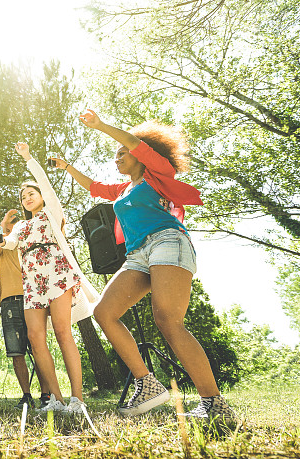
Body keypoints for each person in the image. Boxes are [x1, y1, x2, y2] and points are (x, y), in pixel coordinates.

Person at [61, 109, 236, 421]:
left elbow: (133, 141)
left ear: (142, 154)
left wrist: (101, 125)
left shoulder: (157, 173)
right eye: (115, 155)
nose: (117, 158)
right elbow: (96, 188)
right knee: (104, 312)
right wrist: (67, 167)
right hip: (138, 255)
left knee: (168, 320)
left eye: (122, 153)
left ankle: (214, 403)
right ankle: (148, 383)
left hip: (167, 241)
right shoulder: (125, 189)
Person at [0, 142, 99, 415]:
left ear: (40, 196)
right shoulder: (21, 225)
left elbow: (47, 186)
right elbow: (12, 242)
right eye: (23, 196)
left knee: (64, 333)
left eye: (31, 193)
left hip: (57, 274)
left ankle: (77, 399)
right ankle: (57, 400)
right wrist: (1, 241)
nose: (27, 198)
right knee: (35, 337)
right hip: (32, 283)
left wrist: (28, 158)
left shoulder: (52, 214)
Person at [0, 209, 52, 410]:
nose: (12, 226)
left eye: (15, 223)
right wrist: (4, 222)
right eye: (10, 224)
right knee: (16, 352)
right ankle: (26, 395)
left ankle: (46, 395)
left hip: (32, 297)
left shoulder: (25, 241)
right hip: (9, 301)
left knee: (39, 347)